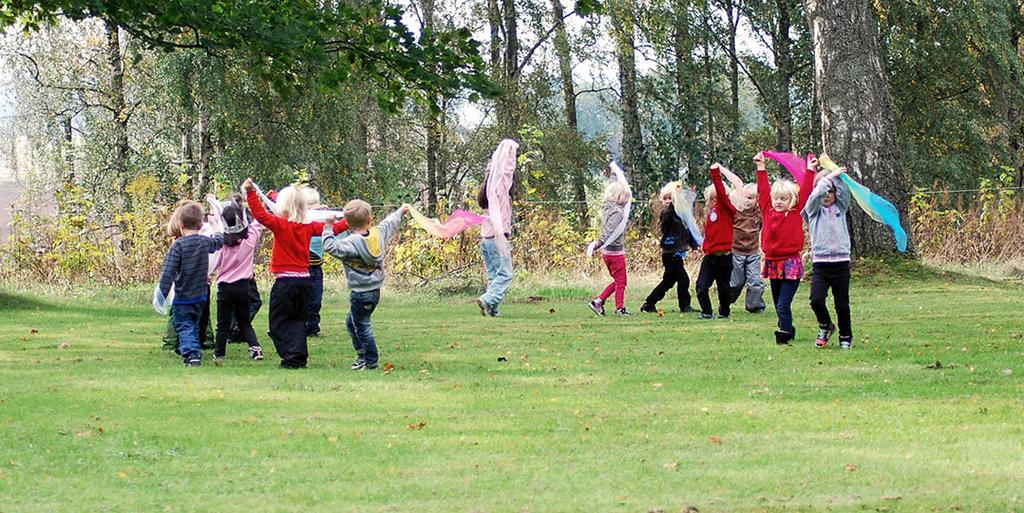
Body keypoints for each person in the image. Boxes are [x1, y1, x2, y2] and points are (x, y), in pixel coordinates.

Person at [243, 178, 324, 369]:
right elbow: (332, 228)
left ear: (284, 206)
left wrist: (250, 193)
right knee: (298, 320)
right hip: (305, 282)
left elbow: (261, 215)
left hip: (285, 282)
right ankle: (298, 356)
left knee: (278, 322)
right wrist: (349, 222)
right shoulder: (310, 227)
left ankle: (290, 356)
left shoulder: (281, 225)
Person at [321, 200, 408, 370]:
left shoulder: (350, 243)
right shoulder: (378, 234)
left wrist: (328, 227)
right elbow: (389, 223)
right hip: (374, 291)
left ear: (346, 223)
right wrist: (400, 212)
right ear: (370, 219)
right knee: (352, 322)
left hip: (360, 292)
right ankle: (362, 355)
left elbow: (329, 246)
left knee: (362, 327)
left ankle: (370, 362)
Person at [754, 152, 816, 344]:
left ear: (792, 201)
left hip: (790, 263)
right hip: (773, 263)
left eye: (783, 199)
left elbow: (805, 190)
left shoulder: (795, 213)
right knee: (777, 303)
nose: (779, 202)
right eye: (777, 199)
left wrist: (810, 171)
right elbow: (763, 191)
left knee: (783, 304)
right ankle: (789, 327)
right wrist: (761, 168)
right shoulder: (767, 211)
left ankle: (785, 334)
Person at [156, 201, 224, 366]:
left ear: (180, 224)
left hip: (183, 296)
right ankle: (192, 348)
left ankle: (192, 354)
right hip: (201, 295)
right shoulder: (204, 242)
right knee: (193, 325)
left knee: (184, 326)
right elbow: (218, 242)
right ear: (201, 224)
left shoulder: (178, 246)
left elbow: (168, 272)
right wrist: (218, 228)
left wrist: (161, 295)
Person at [803, 163, 854, 349]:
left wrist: (836, 178)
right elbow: (815, 196)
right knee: (816, 300)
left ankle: (846, 336)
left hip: (841, 264)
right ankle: (826, 326)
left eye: (830, 191)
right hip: (821, 265)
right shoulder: (813, 210)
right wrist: (826, 179)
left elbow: (844, 192)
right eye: (823, 190)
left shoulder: (842, 207)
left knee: (842, 304)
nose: (826, 195)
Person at [212, 200, 264, 361]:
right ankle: (255, 349)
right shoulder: (249, 241)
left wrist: (214, 207)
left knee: (223, 323)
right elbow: (259, 222)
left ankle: (219, 353)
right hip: (243, 287)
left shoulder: (221, 245)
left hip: (225, 287)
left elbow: (216, 263)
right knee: (244, 321)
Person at [640, 182, 699, 314]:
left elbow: (687, 231)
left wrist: (694, 246)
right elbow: (669, 219)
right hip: (670, 254)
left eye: (670, 198)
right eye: (665, 198)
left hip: (676, 253)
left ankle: (649, 303)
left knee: (668, 282)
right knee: (683, 280)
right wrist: (675, 199)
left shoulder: (680, 216)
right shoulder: (666, 214)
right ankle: (684, 306)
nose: (667, 201)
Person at [476, 140, 518, 317]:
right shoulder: (499, 187)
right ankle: (488, 299)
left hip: (486, 239)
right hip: (497, 237)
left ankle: (492, 309)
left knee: (494, 276)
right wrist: (509, 150)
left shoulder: (487, 187)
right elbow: (505, 173)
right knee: (505, 274)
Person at [694, 164, 737, 320]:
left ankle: (724, 312)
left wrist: (715, 173)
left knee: (723, 288)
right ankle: (706, 312)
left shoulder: (727, 209)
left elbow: (720, 191)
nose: (713, 200)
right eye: (710, 198)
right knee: (701, 286)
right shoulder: (711, 212)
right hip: (710, 258)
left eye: (716, 198)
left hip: (724, 258)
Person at [589, 180, 633, 316]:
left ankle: (599, 301)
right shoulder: (617, 213)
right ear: (619, 197)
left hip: (608, 253)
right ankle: (619, 308)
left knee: (619, 281)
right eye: (625, 196)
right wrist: (599, 242)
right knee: (621, 282)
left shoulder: (607, 208)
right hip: (615, 253)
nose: (628, 199)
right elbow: (609, 230)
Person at [729, 181, 766, 313]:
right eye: (744, 197)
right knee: (735, 283)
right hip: (736, 252)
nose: (747, 201)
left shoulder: (758, 214)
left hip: (753, 252)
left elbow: (761, 227)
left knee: (755, 281)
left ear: (757, 200)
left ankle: (755, 306)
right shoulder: (736, 212)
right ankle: (726, 300)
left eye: (750, 198)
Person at [304, 188, 326, 337]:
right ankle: (301, 326)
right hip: (303, 268)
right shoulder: (302, 221)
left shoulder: (321, 220)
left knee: (316, 300)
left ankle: (313, 327)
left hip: (316, 267)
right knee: (302, 300)